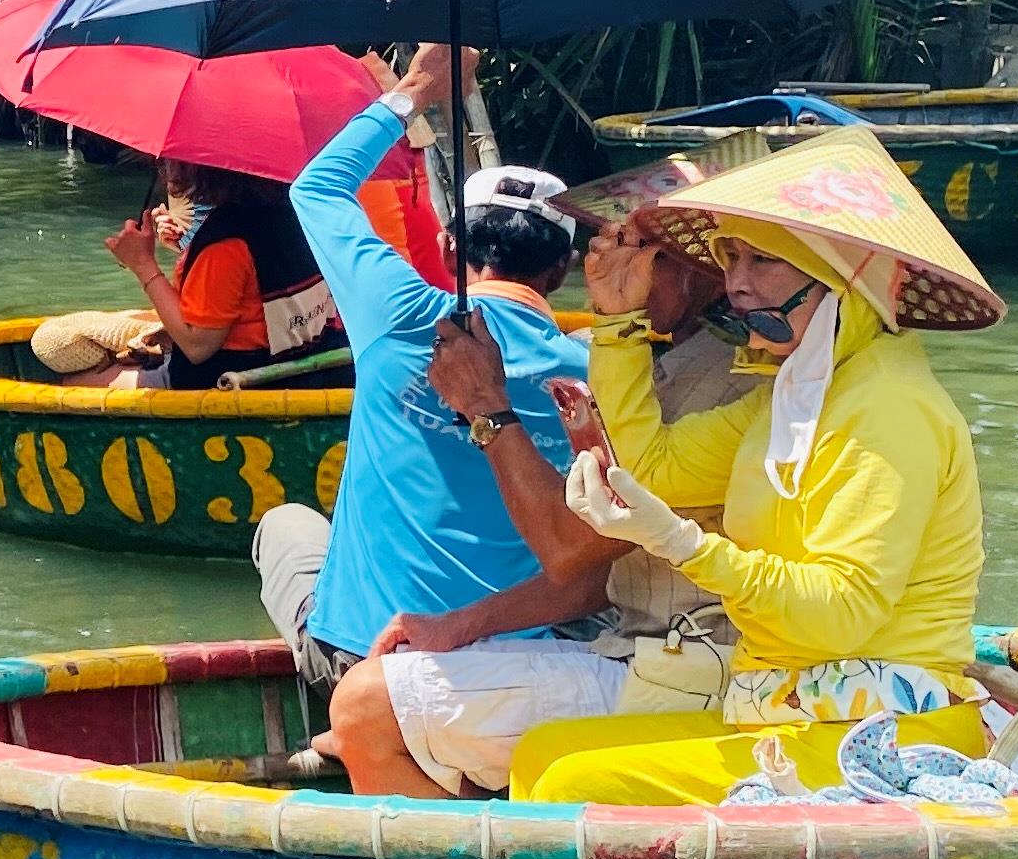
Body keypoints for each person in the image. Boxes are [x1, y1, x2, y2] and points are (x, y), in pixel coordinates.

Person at [505, 127, 1005, 805]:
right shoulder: (794, 394)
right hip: (787, 710)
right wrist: (619, 325)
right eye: (731, 257)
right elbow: (654, 468)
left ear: (841, 277)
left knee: (572, 783)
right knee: (544, 753)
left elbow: (839, 614)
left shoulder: (887, 406)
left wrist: (682, 544)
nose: (735, 285)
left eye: (763, 261)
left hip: (881, 735)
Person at [315, 233, 741, 797]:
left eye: (646, 253)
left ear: (703, 266)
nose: (615, 265)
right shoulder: (674, 364)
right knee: (396, 694)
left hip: (694, 668)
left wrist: (486, 406)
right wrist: (460, 625)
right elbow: (600, 573)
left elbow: (567, 550)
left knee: (365, 705)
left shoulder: (723, 379)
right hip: (641, 649)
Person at [247, 47, 588, 696]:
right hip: (518, 667)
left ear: (448, 247)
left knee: (286, 524)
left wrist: (415, 90)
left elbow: (317, 189)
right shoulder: (594, 372)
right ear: (562, 270)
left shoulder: (401, 312)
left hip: (366, 664)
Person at [100, 160, 345, 387]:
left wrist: (143, 264)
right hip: (309, 359)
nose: (165, 167)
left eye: (170, 160)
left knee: (91, 379)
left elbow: (197, 347)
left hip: (235, 375)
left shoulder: (225, 243)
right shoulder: (297, 212)